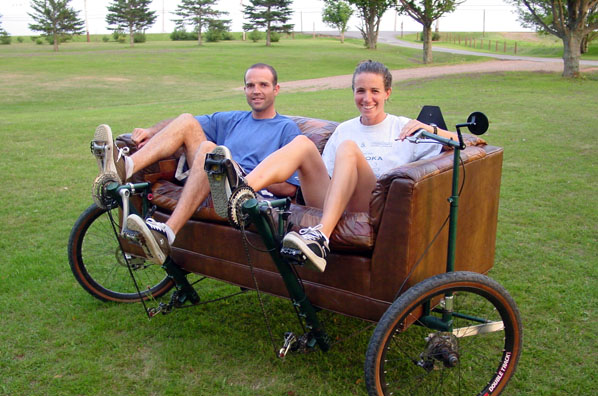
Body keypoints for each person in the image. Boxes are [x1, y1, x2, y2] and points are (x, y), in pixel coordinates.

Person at [210, 60, 458, 272]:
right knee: (302, 143)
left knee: (349, 148)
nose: (367, 98)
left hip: (372, 203)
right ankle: (240, 191)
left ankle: (321, 236)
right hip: (334, 200)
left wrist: (430, 129)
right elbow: (327, 177)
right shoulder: (344, 129)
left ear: (387, 93)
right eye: (360, 91)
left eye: (375, 91)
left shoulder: (404, 128)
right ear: (353, 92)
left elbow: (465, 143)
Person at [91, 63, 313, 265]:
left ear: (276, 89)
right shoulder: (233, 119)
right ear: (244, 90)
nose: (256, 90)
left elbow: (291, 188)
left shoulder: (286, 128)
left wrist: (245, 175)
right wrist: (151, 131)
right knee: (188, 120)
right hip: (213, 176)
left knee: (209, 149)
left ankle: (166, 233)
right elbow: (182, 125)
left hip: (247, 189)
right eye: (250, 85)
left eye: (263, 85)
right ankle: (125, 166)